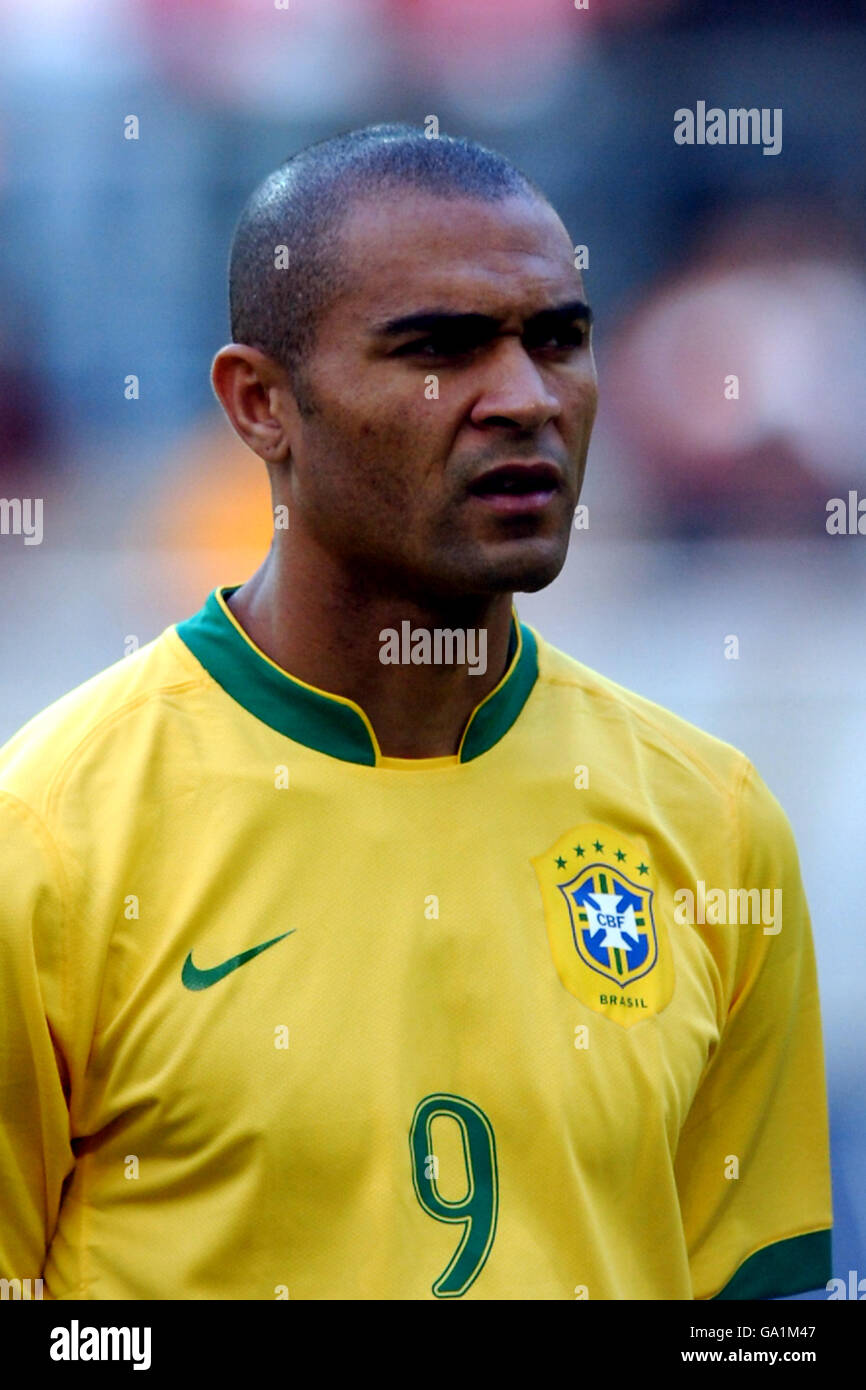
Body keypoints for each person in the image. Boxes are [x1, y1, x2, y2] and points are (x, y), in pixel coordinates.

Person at [0, 124, 831, 1300]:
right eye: (440, 350)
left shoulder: (714, 824)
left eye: (558, 339)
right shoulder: (46, 841)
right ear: (260, 405)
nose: (524, 398)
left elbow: (757, 1315)